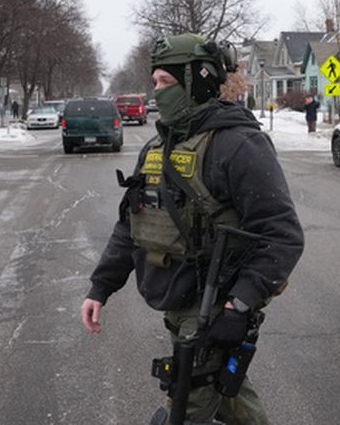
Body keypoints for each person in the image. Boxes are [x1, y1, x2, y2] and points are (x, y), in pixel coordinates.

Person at [80, 33, 304, 424]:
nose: (157, 92)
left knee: (186, 408)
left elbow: (281, 235)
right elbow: (129, 224)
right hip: (177, 300)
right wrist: (101, 287)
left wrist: (240, 304)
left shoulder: (238, 144)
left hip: (215, 305)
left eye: (165, 82)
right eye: (155, 83)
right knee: (230, 397)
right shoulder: (156, 148)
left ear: (196, 81)